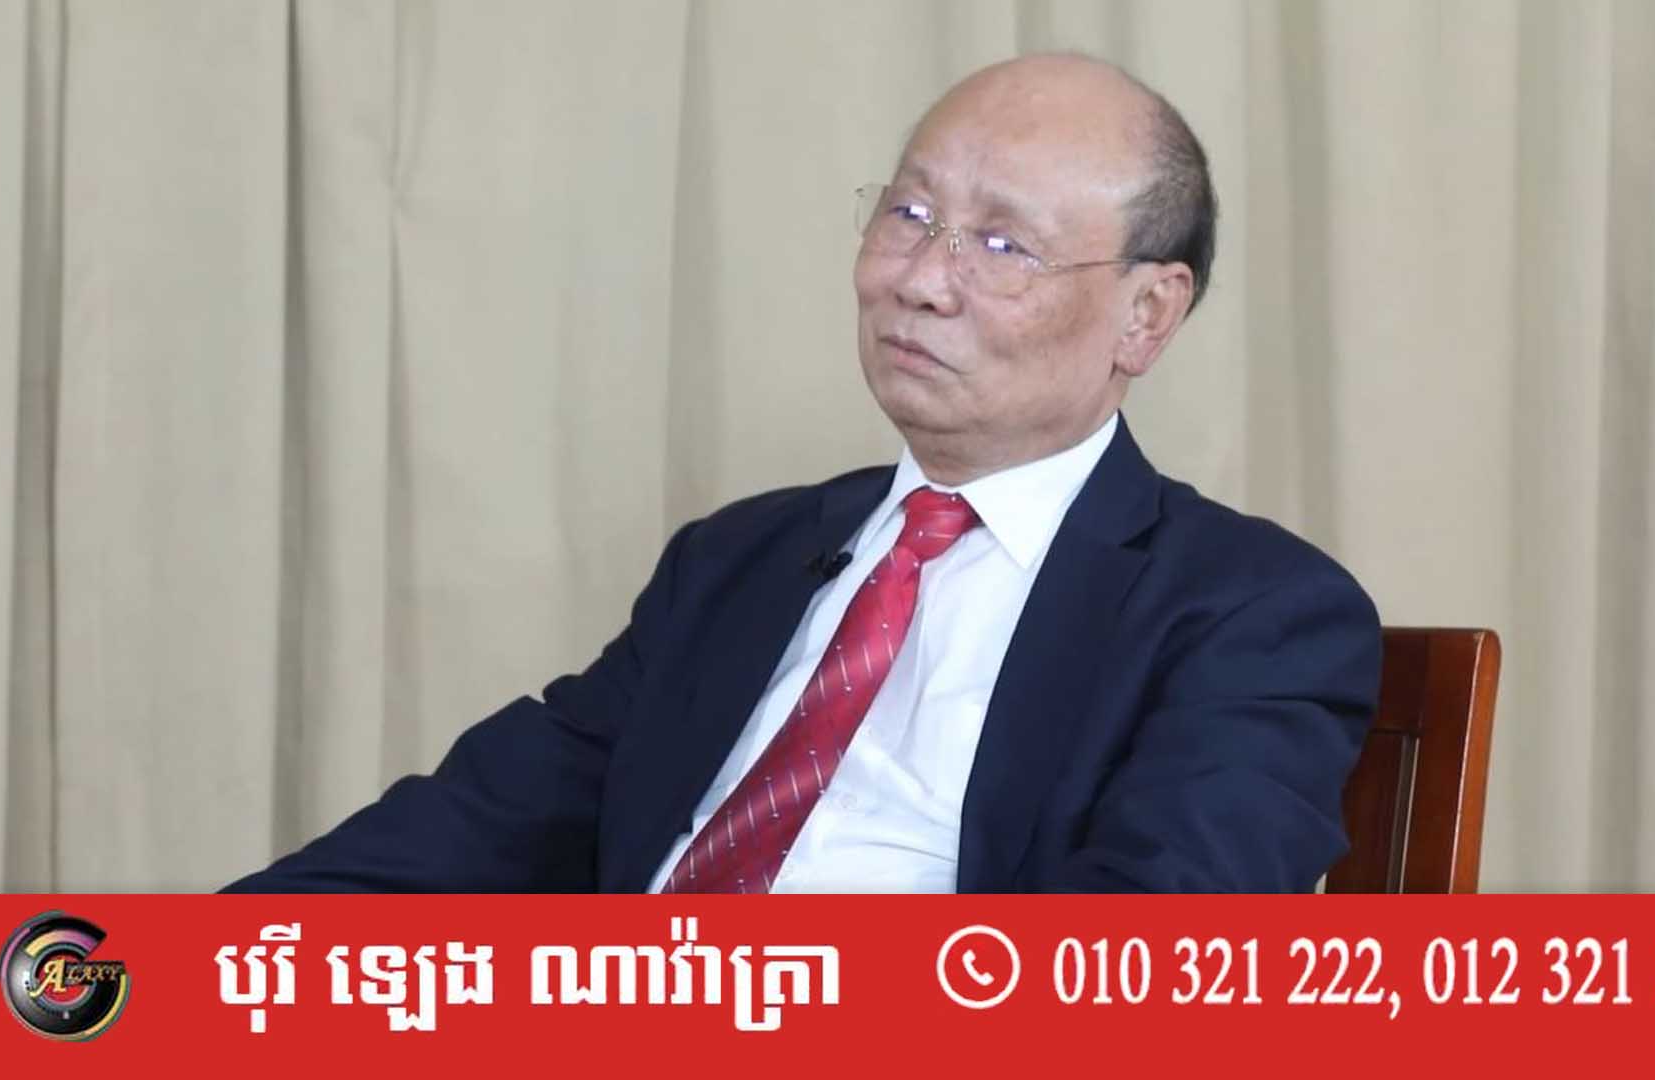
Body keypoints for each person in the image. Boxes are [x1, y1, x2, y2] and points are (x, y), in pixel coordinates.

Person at [225, 53, 1380, 895]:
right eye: (910, 214)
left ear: (1146, 315)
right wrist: (191, 975)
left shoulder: (1250, 614)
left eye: (1001, 244)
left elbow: (1136, 964)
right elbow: (486, 825)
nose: (920, 279)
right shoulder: (742, 560)